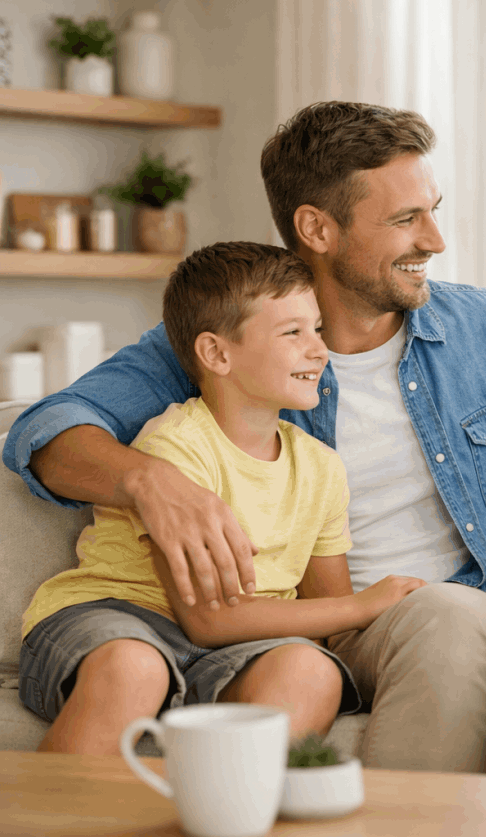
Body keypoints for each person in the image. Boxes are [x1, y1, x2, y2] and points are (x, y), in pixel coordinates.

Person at [3, 102, 486, 772]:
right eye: (404, 219)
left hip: (466, 615)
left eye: (433, 209)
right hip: (324, 624)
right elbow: (48, 429)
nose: (436, 241)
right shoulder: (224, 341)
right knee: (440, 618)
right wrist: (147, 481)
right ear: (316, 228)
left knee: (455, 614)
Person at [19, 242, 429, 753]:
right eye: (292, 332)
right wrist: (364, 605)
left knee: (310, 671)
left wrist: (360, 619)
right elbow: (207, 618)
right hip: (122, 618)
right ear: (216, 353)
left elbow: (326, 609)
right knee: (136, 669)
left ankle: (230, 811)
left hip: (238, 647)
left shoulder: (321, 468)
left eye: (317, 328)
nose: (319, 349)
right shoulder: (176, 446)